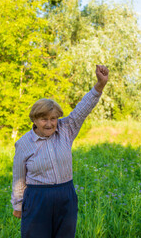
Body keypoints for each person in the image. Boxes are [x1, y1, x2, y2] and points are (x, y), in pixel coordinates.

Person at [11, 65, 109, 238]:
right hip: (37, 198)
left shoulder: (66, 129)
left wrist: (100, 85)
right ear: (34, 119)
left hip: (66, 195)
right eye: (44, 119)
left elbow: (83, 108)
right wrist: (18, 205)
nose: (49, 124)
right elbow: (19, 177)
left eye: (53, 118)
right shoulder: (24, 143)